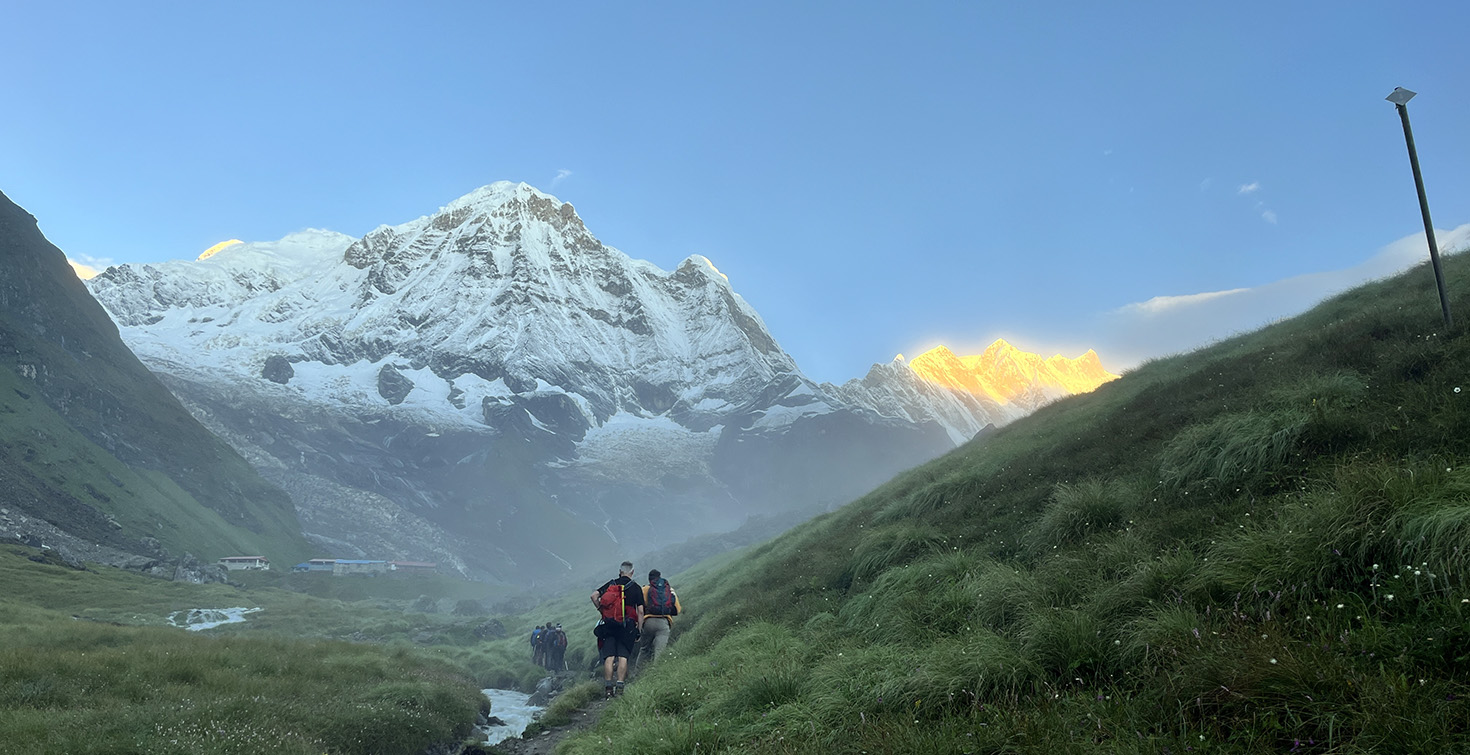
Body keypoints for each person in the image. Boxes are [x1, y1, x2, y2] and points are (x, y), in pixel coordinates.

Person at [591, 561, 644, 698]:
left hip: (609, 625)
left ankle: (608, 687)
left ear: (620, 571)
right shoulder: (636, 588)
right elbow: (641, 611)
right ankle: (620, 686)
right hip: (628, 627)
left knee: (609, 657)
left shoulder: (611, 584)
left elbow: (594, 596)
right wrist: (639, 629)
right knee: (623, 657)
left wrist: (601, 610)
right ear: (632, 572)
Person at [640, 569, 683, 665]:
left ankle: (636, 673)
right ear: (659, 577)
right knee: (659, 652)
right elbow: (678, 610)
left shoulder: (645, 590)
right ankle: (656, 672)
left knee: (644, 649)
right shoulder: (669, 590)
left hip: (648, 622)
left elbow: (639, 608)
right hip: (664, 623)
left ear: (649, 579)